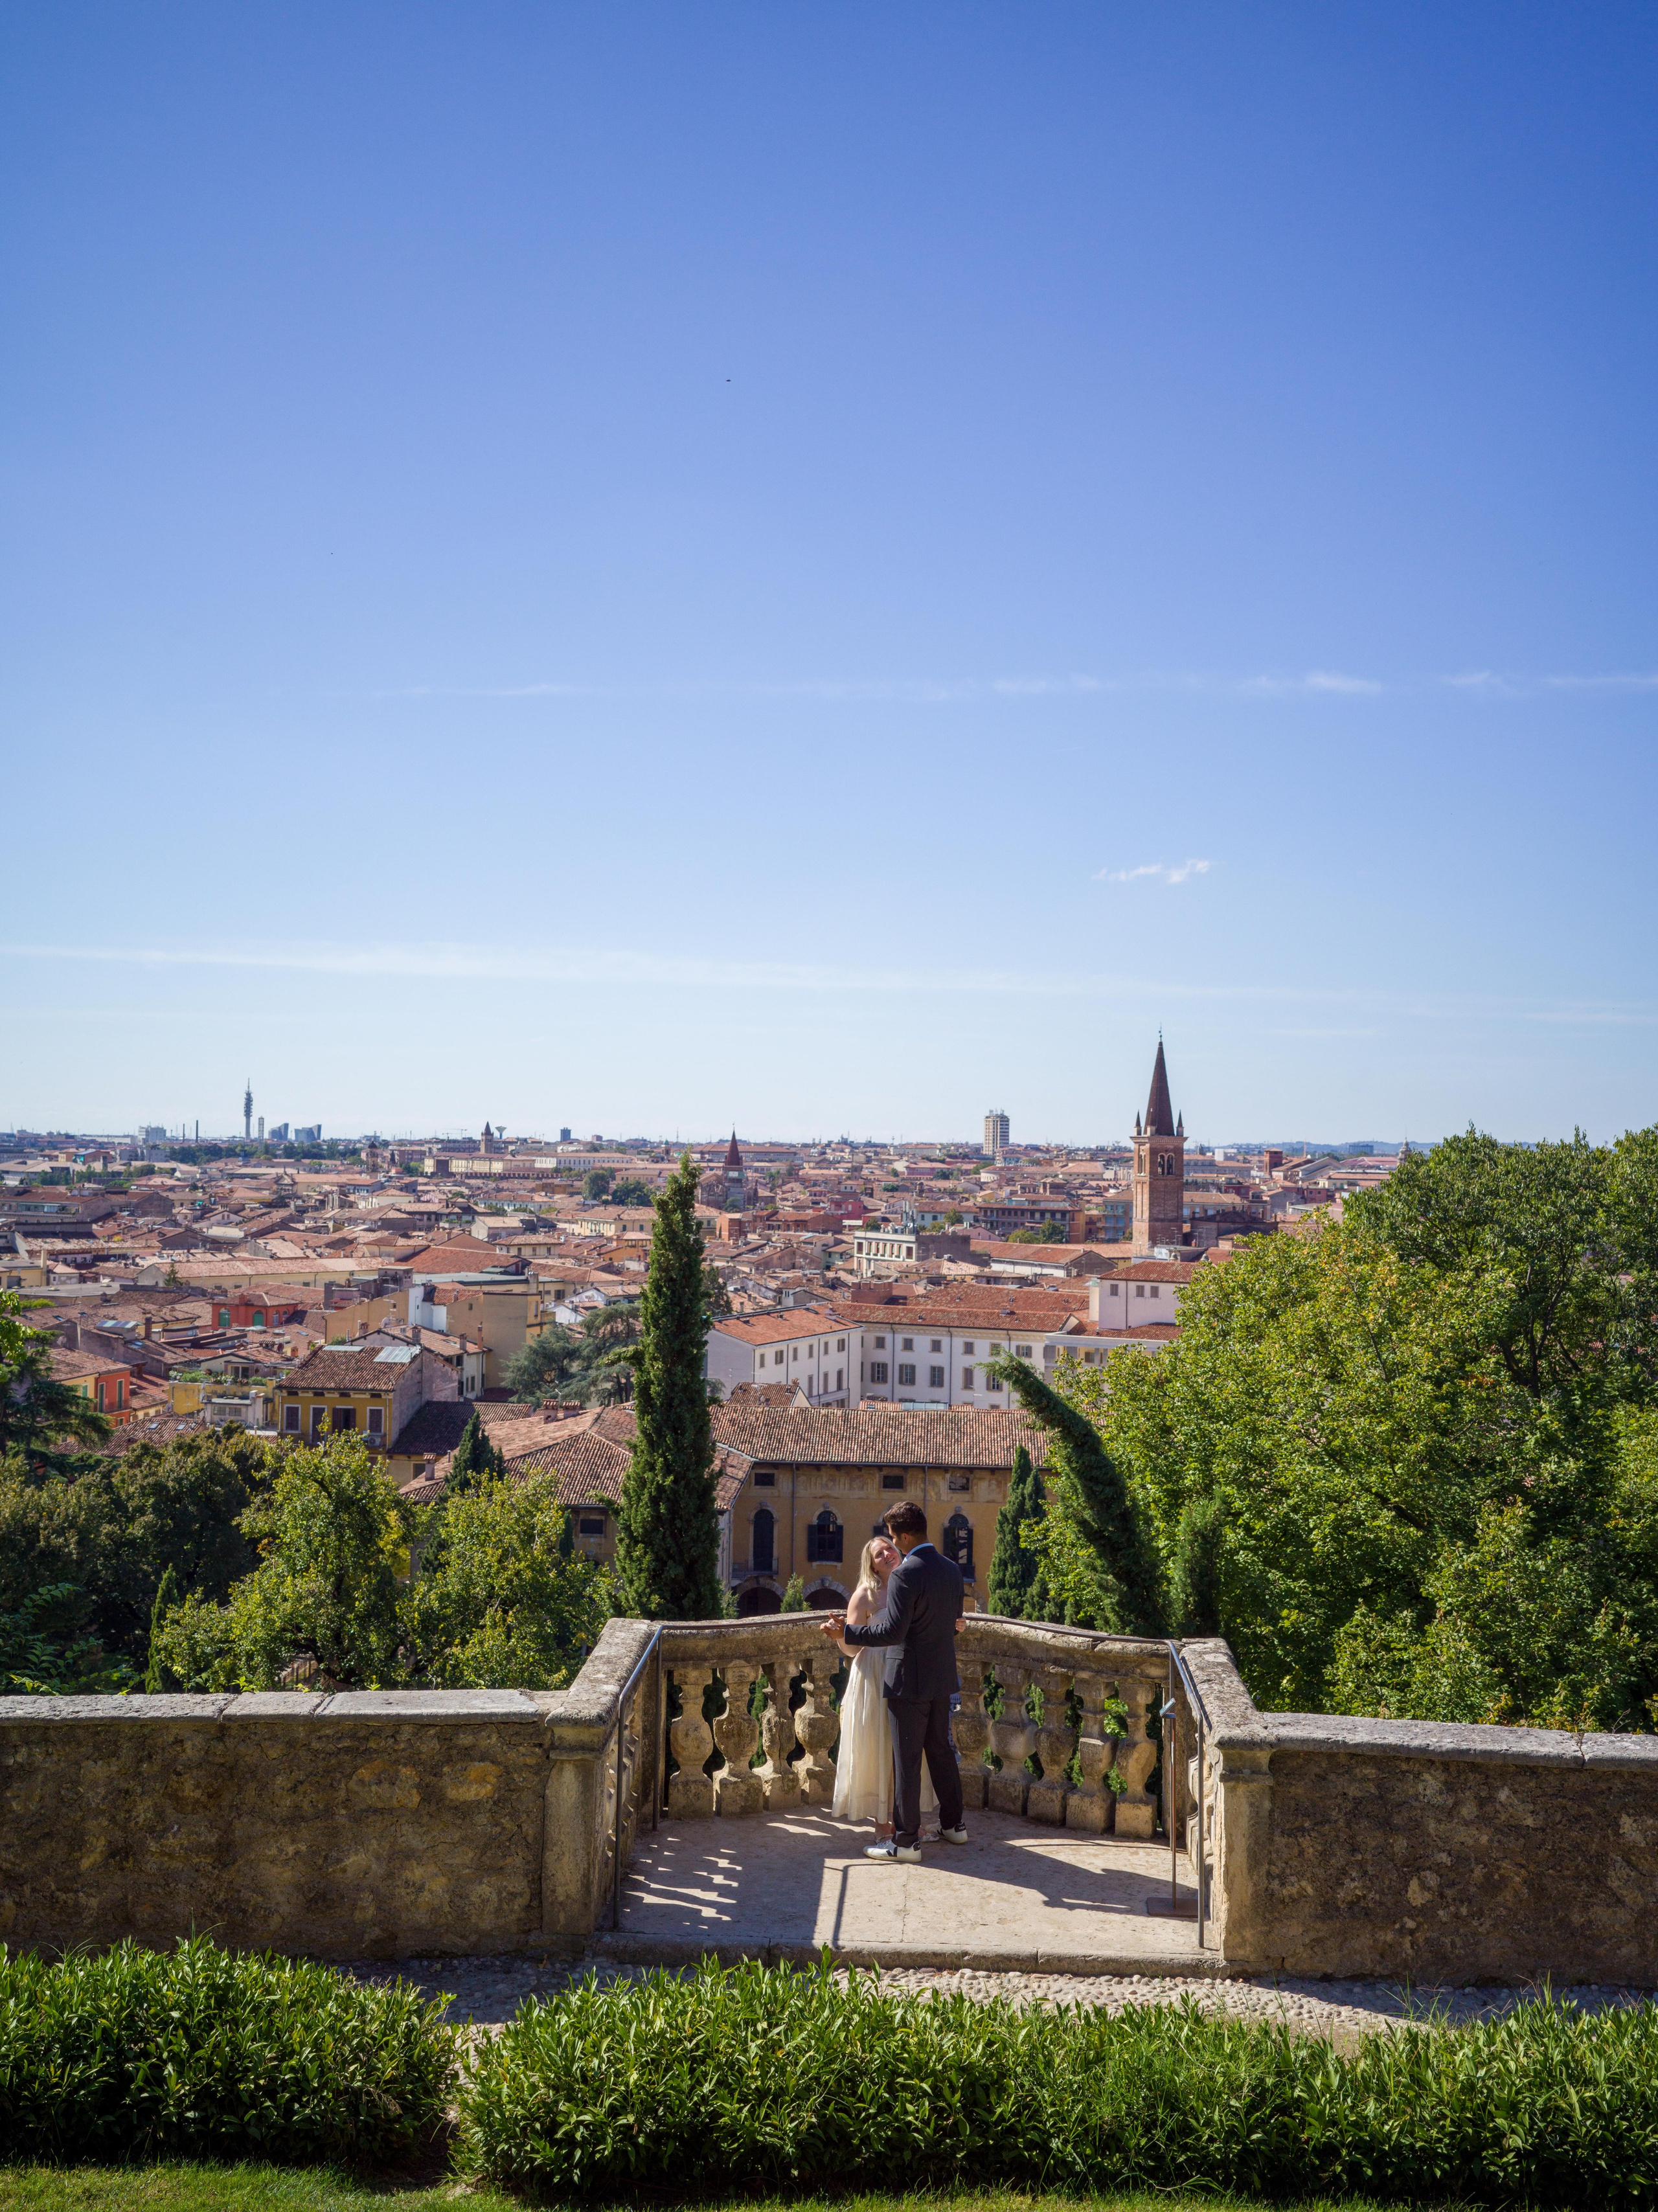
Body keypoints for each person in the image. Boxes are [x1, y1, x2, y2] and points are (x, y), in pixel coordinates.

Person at [823, 1498, 967, 1863]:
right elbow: (947, 1624)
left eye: (891, 1538)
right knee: (940, 1752)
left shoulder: (906, 1573)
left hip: (907, 1679)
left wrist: (848, 1630)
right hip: (941, 1677)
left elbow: (893, 1631)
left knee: (905, 1761)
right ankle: (954, 1826)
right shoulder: (951, 1569)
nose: (889, 1545)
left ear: (902, 1536)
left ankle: (904, 1843)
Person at [831, 1534, 937, 1838]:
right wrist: (840, 1634)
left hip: (907, 1669)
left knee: (904, 1747)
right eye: (880, 1554)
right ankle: (881, 1825)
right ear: (873, 1566)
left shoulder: (913, 1582)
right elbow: (851, 1649)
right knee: (878, 1746)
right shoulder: (865, 1595)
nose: (888, 1554)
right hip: (875, 1676)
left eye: (889, 1548)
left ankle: (906, 1822)